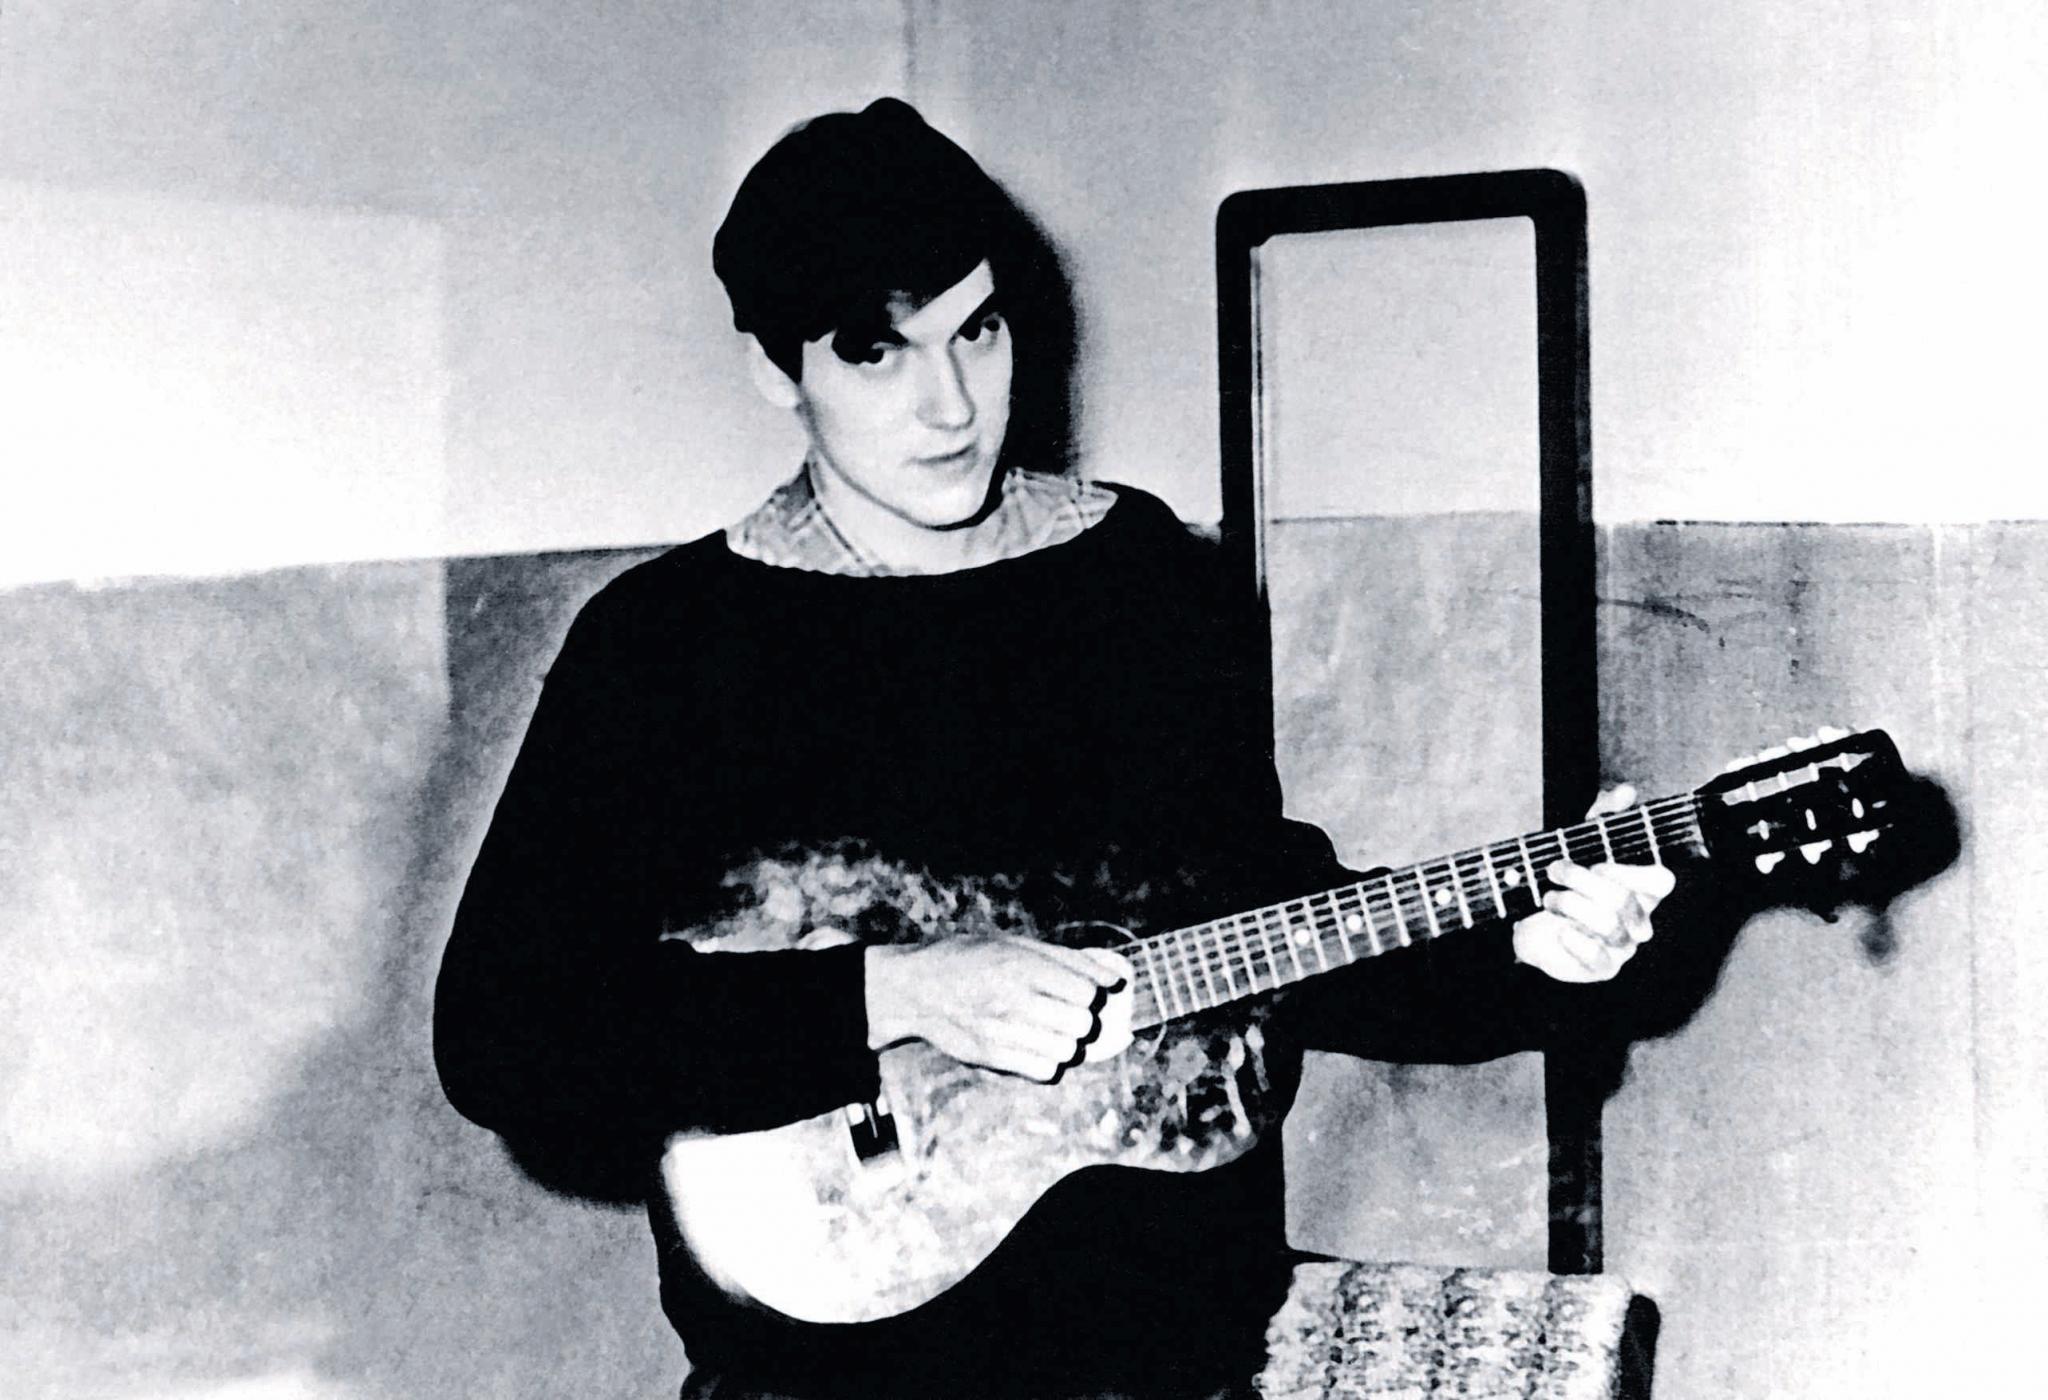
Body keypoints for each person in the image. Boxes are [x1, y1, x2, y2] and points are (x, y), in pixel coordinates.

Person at [432, 97, 1676, 1400]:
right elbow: (506, 1036)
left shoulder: (1139, 577)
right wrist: (893, 996)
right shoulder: (669, 646)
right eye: (877, 354)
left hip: (1169, 1368)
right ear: (774, 370)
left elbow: (1261, 936)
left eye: (979, 330)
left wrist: (1526, 954)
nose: (953, 406)